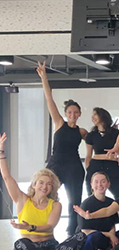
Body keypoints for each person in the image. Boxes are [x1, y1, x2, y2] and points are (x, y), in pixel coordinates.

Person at [1, 133, 86, 250]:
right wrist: (1, 151)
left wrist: (31, 227)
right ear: (34, 185)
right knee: (20, 244)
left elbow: (49, 227)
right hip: (29, 247)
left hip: (49, 245)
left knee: (80, 236)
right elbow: (6, 177)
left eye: (49, 184)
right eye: (41, 182)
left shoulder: (56, 205)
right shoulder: (22, 199)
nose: (44, 186)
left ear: (52, 188)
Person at [37, 61, 87, 236]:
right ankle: (42, 226)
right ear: (66, 114)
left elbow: (97, 140)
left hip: (74, 168)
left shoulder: (82, 131)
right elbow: (49, 98)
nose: (73, 114)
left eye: (76, 112)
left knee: (75, 201)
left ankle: (72, 231)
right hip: (55, 165)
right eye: (70, 112)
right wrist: (44, 77)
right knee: (45, 195)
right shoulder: (59, 123)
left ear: (80, 114)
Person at [84, 107, 119, 199]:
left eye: (95, 114)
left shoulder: (116, 133)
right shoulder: (91, 135)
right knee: (92, 195)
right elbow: (88, 155)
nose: (92, 117)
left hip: (112, 166)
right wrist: (88, 168)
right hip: (95, 165)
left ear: (102, 116)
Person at [78, 172, 119, 250]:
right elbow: (85, 231)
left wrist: (112, 235)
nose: (99, 184)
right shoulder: (86, 204)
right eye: (96, 182)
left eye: (103, 181)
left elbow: (113, 224)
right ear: (91, 185)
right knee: (96, 237)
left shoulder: (111, 202)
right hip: (91, 240)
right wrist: (109, 235)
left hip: (105, 238)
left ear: (108, 184)